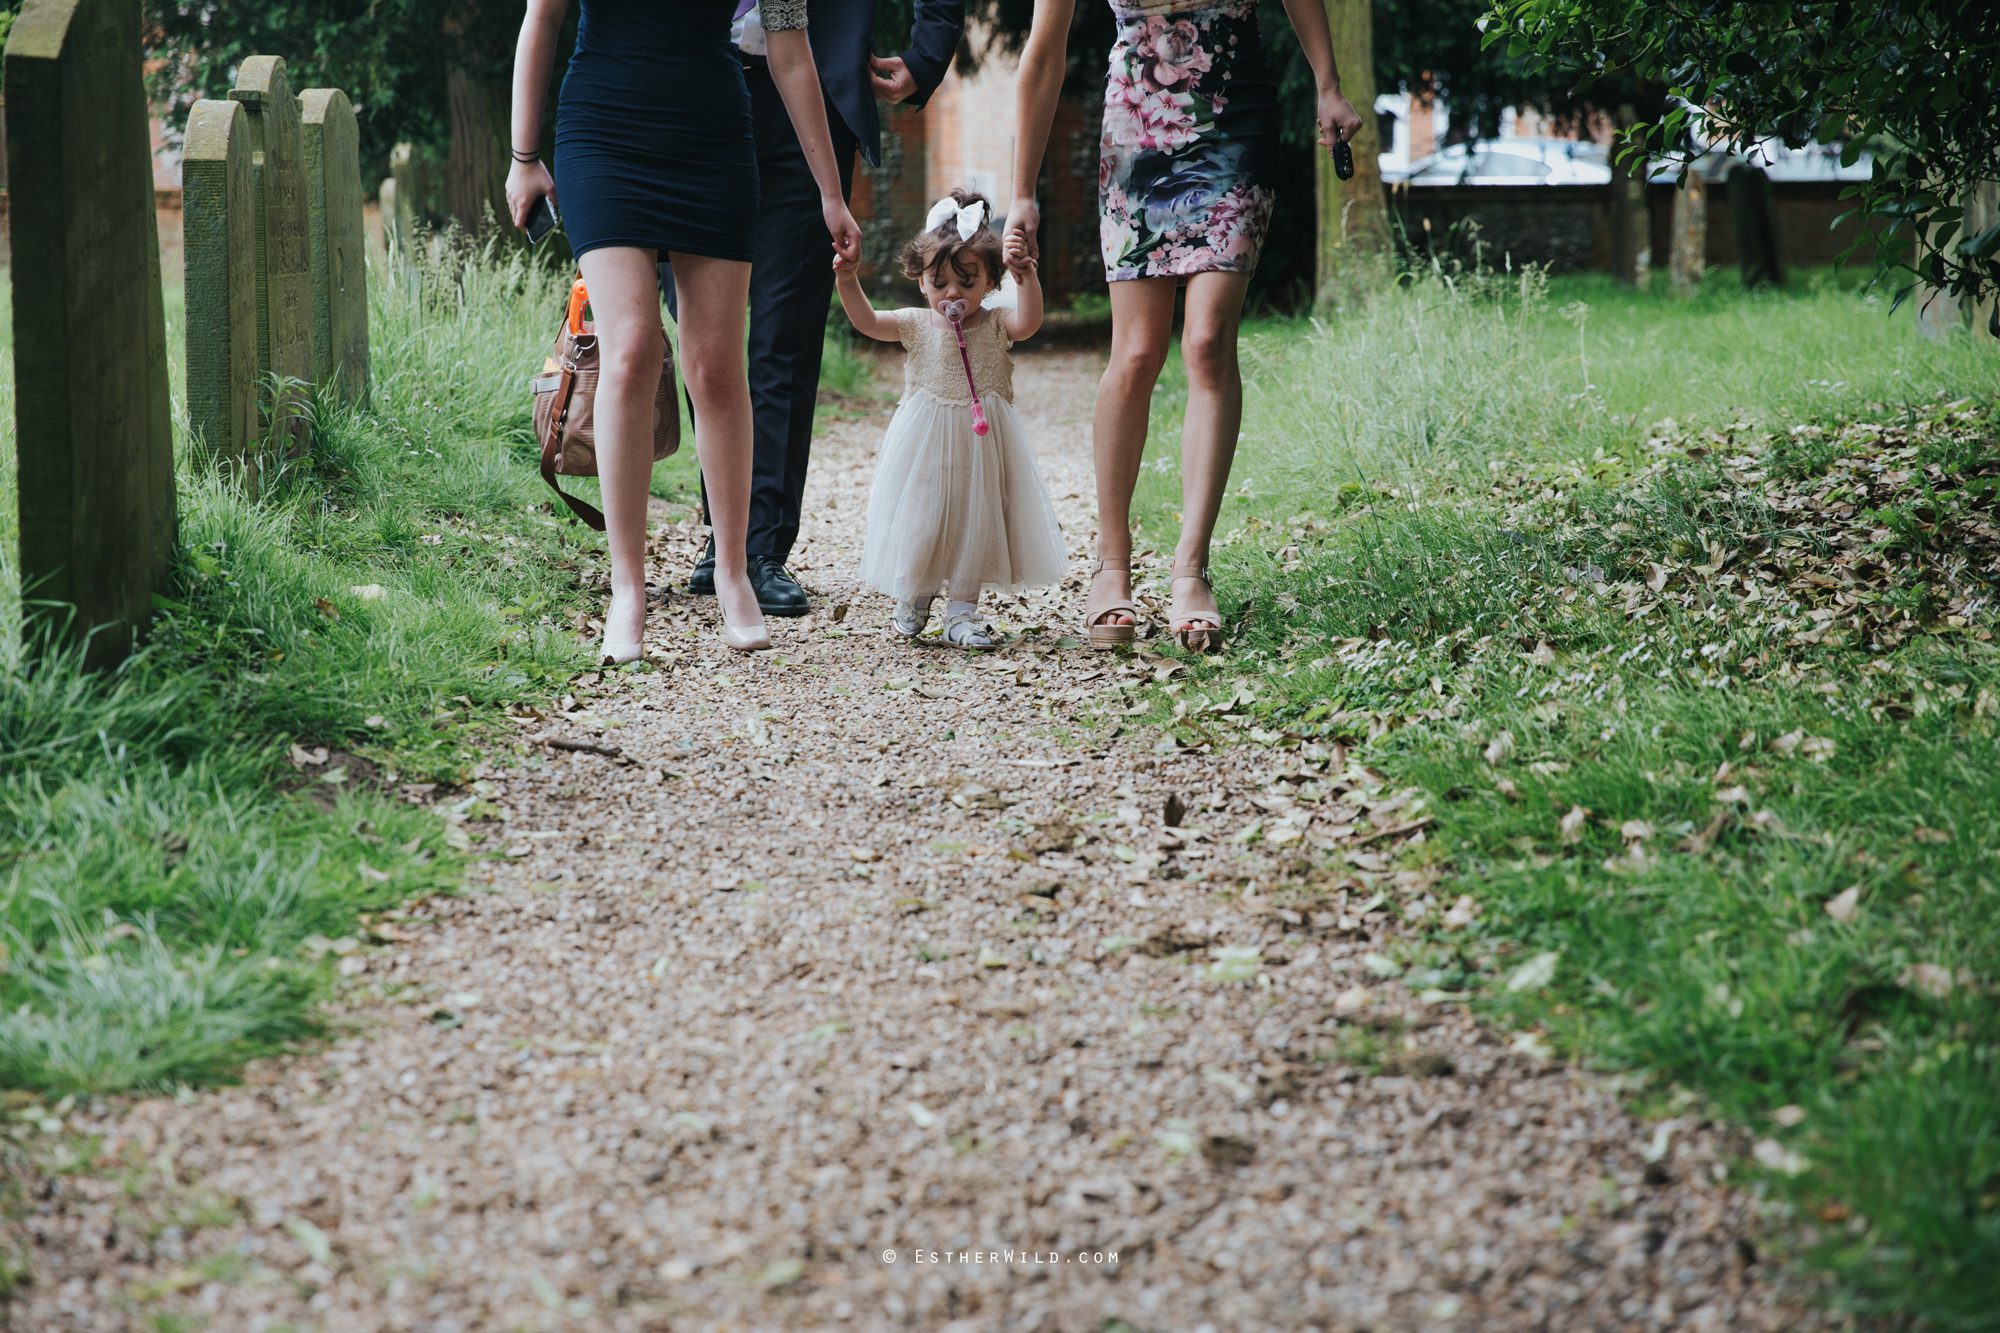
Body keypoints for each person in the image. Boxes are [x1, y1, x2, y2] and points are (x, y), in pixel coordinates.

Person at [505, 0, 862, 660]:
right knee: (632, 348)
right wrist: (524, 156)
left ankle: (733, 573)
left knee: (715, 367)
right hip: (603, 132)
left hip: (714, 138)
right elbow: (542, 16)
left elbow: (789, 50)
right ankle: (628, 590)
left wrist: (830, 193)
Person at [1006, 0, 1361, 652]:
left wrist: (1329, 85)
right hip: (1137, 127)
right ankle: (1111, 565)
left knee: (1206, 341)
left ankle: (1189, 569)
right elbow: (1044, 50)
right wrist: (1021, 190)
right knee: (1137, 352)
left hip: (1235, 115)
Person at [680, 0, 966, 616]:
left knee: (784, 330)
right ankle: (724, 534)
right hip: (690, 84)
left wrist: (927, 51)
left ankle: (760, 547)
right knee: (703, 335)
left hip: (815, 88)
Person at [836, 191, 1066, 649]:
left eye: (967, 281)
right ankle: (917, 593)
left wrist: (1027, 278)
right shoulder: (916, 324)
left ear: (990, 282)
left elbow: (1031, 322)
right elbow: (866, 322)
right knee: (924, 518)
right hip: (927, 445)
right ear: (922, 283)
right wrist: (848, 279)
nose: (952, 294)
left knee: (975, 522)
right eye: (939, 283)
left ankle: (962, 612)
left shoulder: (998, 322)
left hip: (982, 446)